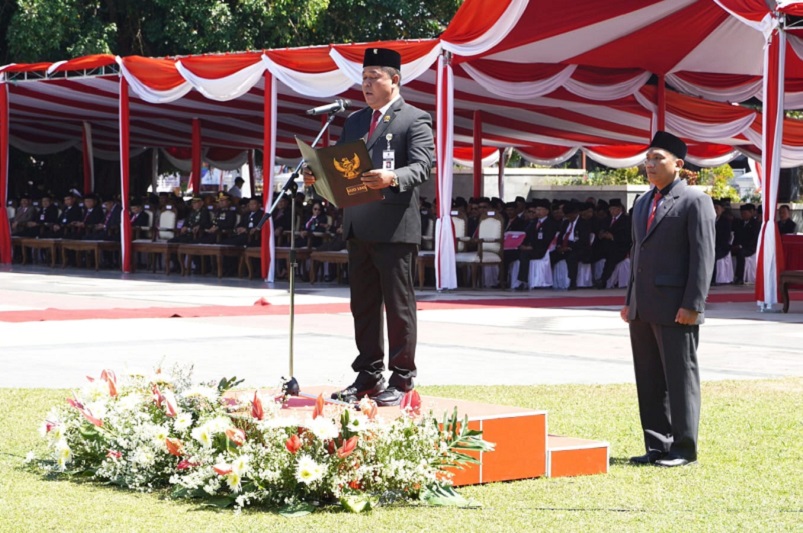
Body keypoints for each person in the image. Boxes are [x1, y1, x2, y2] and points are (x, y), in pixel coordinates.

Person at [303, 47, 434, 406]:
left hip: (394, 228)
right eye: (363, 78)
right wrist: (316, 175)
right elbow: (339, 166)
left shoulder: (415, 119)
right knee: (362, 306)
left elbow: (422, 166)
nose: (366, 84)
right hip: (358, 224)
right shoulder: (355, 121)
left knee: (398, 306)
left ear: (395, 80)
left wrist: (393, 177)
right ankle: (368, 373)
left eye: (374, 77)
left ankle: (402, 377)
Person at [621, 131, 715, 468]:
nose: (650, 164)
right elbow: (637, 253)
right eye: (647, 158)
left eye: (657, 158)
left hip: (677, 307)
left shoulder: (695, 201)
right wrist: (630, 300)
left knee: (680, 378)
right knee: (649, 379)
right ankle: (657, 445)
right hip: (642, 306)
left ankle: (684, 449)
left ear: (678, 164)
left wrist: (693, 305)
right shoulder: (642, 202)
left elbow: (702, 257)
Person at [594, 198, 631, 289]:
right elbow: (601, 229)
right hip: (606, 245)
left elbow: (627, 236)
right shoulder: (607, 219)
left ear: (619, 209)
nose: (611, 211)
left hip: (620, 247)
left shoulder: (626, 220)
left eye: (613, 209)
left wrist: (613, 237)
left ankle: (603, 280)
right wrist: (601, 234)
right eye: (610, 209)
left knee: (611, 257)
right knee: (595, 252)